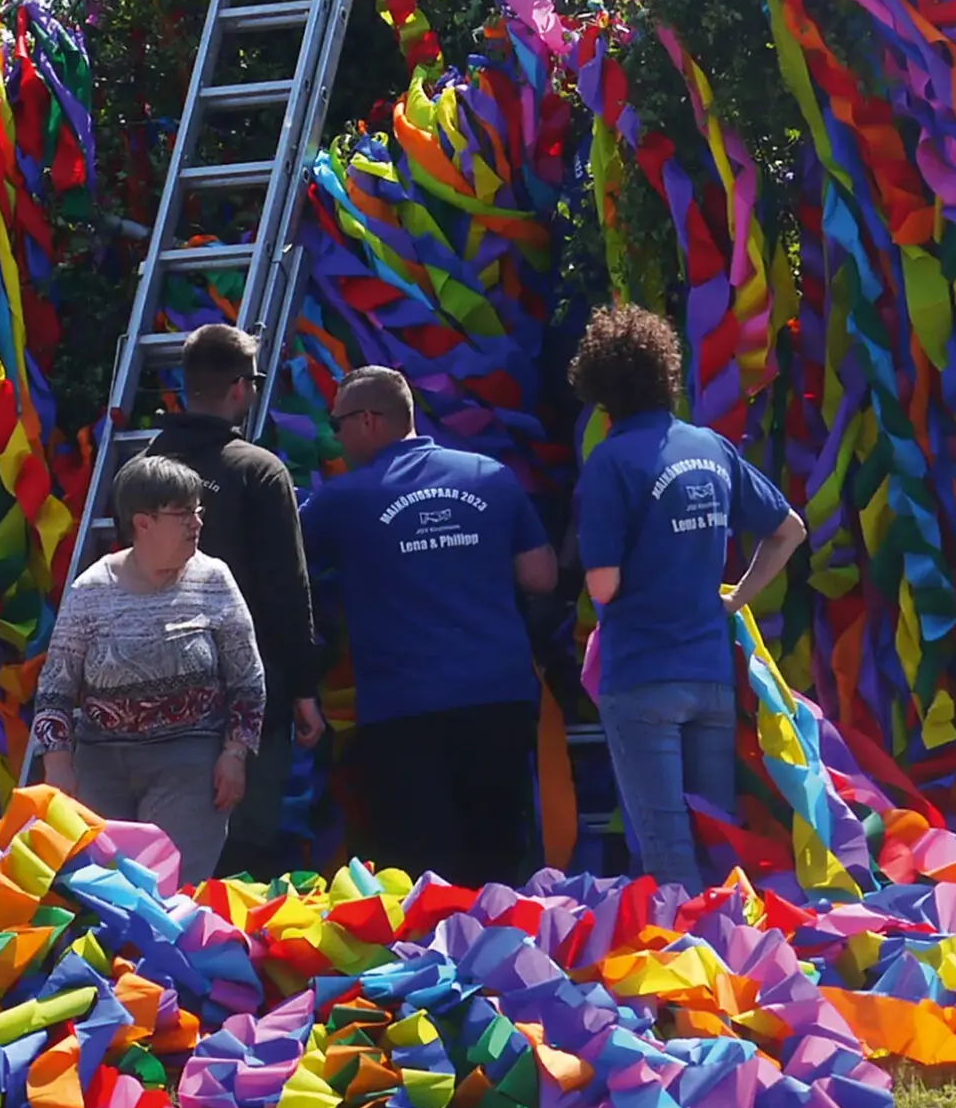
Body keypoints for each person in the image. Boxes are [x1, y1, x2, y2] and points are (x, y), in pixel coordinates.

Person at [571, 303, 806, 892]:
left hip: (642, 674)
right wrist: (735, 599)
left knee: (668, 854)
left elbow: (603, 585)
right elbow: (789, 530)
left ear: (601, 391)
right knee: (718, 843)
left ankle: (685, 953)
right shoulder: (710, 448)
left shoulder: (609, 463)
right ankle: (735, 947)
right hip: (709, 673)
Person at [300, 365, 558, 886]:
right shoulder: (490, 476)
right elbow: (541, 576)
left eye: (337, 423)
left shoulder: (342, 499)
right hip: (497, 697)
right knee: (498, 866)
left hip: (404, 707)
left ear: (368, 421)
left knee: (421, 874)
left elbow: (283, 571)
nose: (336, 437)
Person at [31, 456, 265, 886]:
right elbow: (55, 687)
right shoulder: (91, 590)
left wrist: (235, 753)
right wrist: (58, 765)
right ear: (143, 523)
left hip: (189, 765)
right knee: (102, 896)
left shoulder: (214, 580)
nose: (196, 523)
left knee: (169, 894)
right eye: (183, 513)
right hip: (101, 767)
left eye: (198, 510)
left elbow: (247, 679)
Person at [144, 324, 324, 879]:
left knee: (165, 846)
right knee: (242, 849)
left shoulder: (143, 470)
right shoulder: (257, 471)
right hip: (245, 690)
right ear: (241, 387)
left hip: (154, 687)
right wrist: (304, 688)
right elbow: (285, 585)